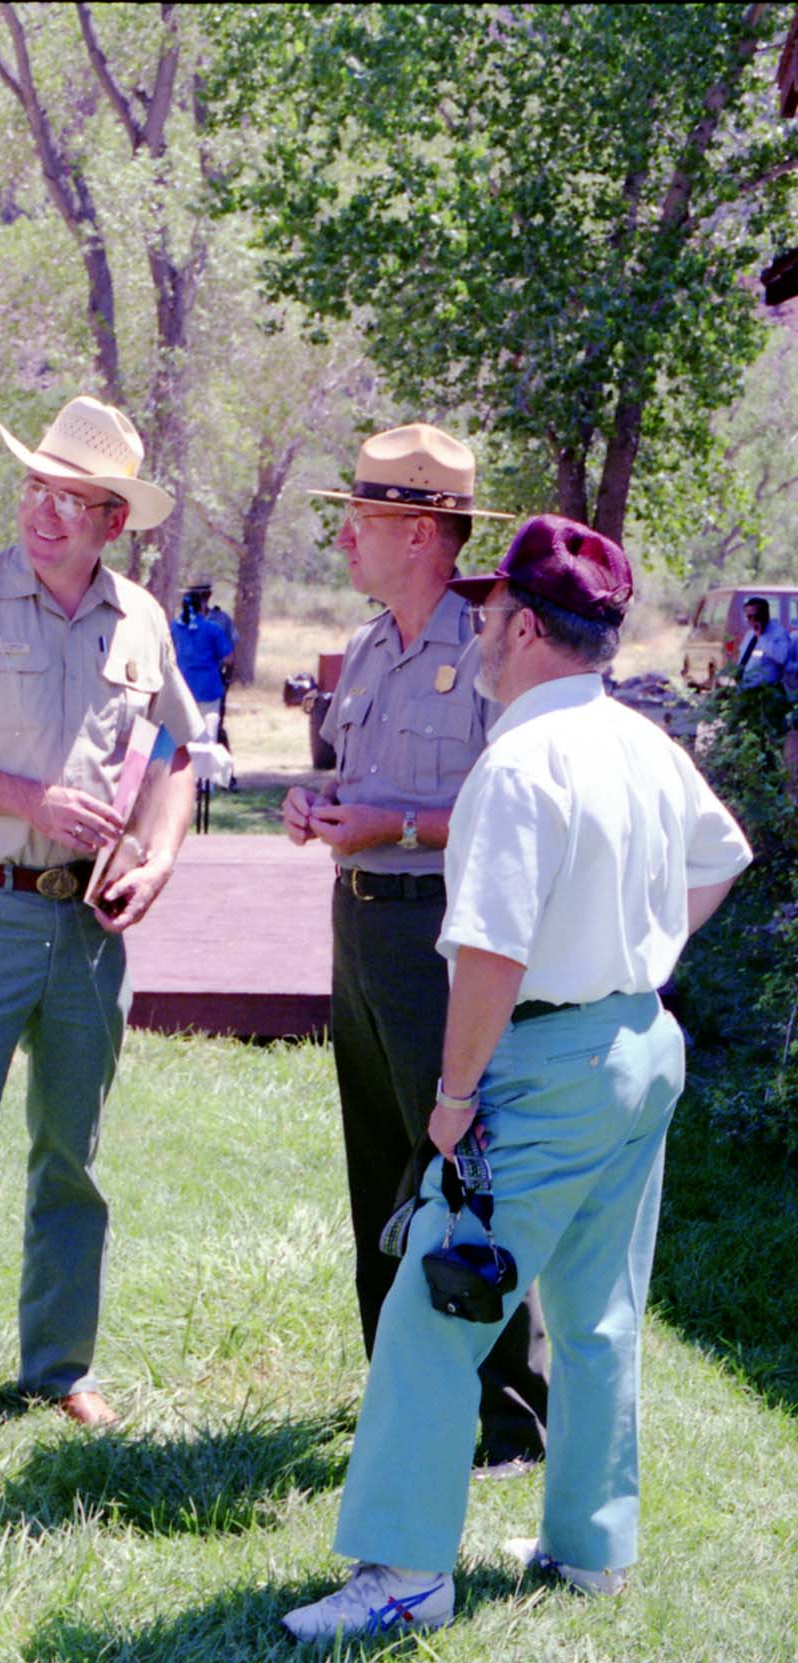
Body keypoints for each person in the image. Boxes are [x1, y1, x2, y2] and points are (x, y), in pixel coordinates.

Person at [283, 515, 751, 1642]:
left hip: (541, 1064)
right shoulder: (641, 740)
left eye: (494, 615)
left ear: (528, 627)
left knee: (434, 1311)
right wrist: (638, 956)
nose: (482, 629)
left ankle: (402, 1575)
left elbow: (489, 953)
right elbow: (722, 854)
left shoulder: (520, 760)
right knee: (598, 1312)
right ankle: (589, 1549)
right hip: (639, 1046)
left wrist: (452, 1100)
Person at [0, 395, 205, 1472]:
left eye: (74, 501)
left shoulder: (141, 621)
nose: (45, 515)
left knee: (75, 1156)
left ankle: (59, 1367)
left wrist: (155, 854)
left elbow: (175, 757)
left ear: (116, 522)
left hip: (89, 932)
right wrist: (26, 800)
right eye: (34, 489)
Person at [282, 423, 549, 1476]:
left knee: (461, 1163)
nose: (347, 539)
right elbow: (365, 778)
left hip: (440, 935)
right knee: (378, 1161)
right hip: (360, 925)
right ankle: (399, 1382)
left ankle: (504, 1422)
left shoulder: (488, 646)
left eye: (368, 520)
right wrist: (322, 803)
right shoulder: (371, 647)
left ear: (428, 532)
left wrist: (392, 825)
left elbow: (509, 803)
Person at [171, 584, 235, 725]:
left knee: (183, 734)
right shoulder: (213, 628)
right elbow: (229, 659)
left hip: (182, 688)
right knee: (207, 735)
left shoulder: (173, 628)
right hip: (208, 688)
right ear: (202, 606)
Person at [735, 596, 789, 688]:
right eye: (749, 617)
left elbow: (782, 658)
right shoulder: (749, 634)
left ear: (766, 615)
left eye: (756, 616)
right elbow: (743, 659)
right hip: (746, 689)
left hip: (767, 691)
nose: (752, 620)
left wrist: (762, 637)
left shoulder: (779, 633)